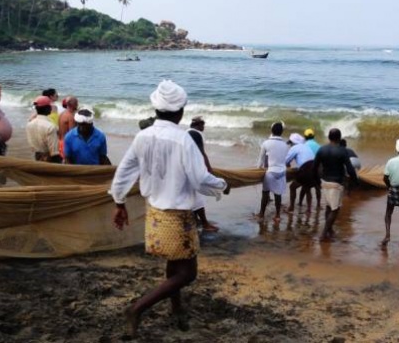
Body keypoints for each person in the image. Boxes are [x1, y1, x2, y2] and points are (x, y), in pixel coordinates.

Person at [110, 80, 230, 337]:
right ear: (181, 111)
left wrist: (119, 202)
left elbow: (124, 172)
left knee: (174, 264)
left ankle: (175, 307)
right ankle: (137, 309)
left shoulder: (143, 136)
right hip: (176, 215)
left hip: (154, 211)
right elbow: (200, 179)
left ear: (156, 109)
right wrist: (222, 185)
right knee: (188, 273)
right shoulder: (183, 140)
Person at [313, 128, 358, 242]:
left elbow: (314, 167)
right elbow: (350, 169)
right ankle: (324, 234)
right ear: (339, 138)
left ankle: (330, 230)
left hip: (324, 182)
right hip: (336, 183)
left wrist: (317, 181)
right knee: (335, 210)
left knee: (329, 207)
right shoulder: (342, 151)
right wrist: (355, 181)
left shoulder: (321, 150)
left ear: (329, 137)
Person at [187, 116, 220, 232]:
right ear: (198, 125)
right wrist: (209, 168)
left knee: (193, 197)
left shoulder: (186, 133)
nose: (204, 127)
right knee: (199, 198)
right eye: (203, 125)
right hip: (195, 169)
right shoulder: (197, 134)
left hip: (186, 168)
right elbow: (202, 153)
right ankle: (205, 224)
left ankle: (196, 221)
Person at [256, 121, 289, 223]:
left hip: (271, 172)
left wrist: (257, 171)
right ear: (282, 132)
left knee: (265, 193)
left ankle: (261, 213)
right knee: (278, 194)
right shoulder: (285, 145)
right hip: (282, 173)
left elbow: (261, 161)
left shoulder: (266, 143)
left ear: (271, 131)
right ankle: (278, 215)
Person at [285, 133, 316, 212]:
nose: (290, 145)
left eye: (290, 143)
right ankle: (309, 209)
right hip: (314, 169)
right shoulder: (306, 146)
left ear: (293, 142)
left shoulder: (294, 148)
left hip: (305, 169)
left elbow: (286, 161)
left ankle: (291, 207)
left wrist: (288, 165)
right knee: (307, 188)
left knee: (292, 187)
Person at [26, 95, 62, 163]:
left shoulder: (29, 124)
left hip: (37, 157)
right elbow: (54, 153)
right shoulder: (50, 127)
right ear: (47, 109)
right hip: (49, 159)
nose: (51, 108)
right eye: (49, 107)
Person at [300, 128, 322, 208]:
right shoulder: (319, 146)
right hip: (318, 168)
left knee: (305, 186)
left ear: (305, 137)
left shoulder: (304, 145)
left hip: (308, 168)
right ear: (314, 136)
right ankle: (318, 204)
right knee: (317, 187)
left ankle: (301, 203)